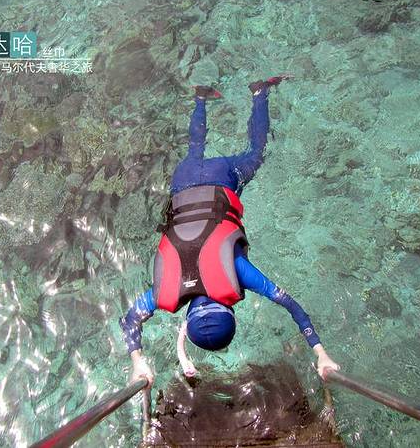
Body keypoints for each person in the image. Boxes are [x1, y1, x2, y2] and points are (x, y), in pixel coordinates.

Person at [120, 75, 340, 387]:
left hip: (222, 176)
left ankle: (260, 92)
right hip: (182, 181)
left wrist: (321, 353)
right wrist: (137, 360)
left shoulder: (237, 273)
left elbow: (290, 304)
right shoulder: (162, 292)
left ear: (231, 312)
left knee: (256, 153)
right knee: (194, 151)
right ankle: (200, 98)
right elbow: (131, 320)